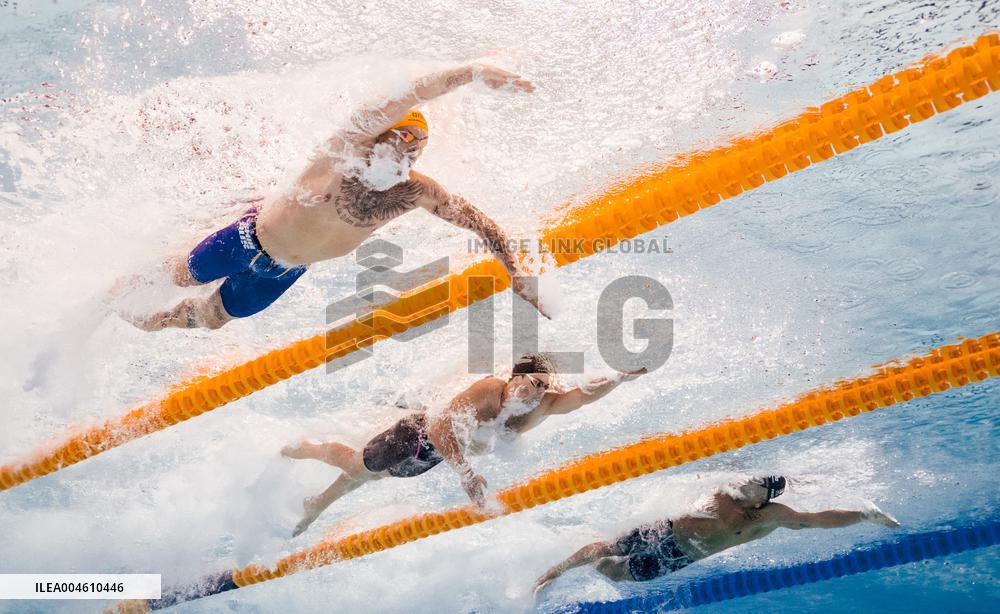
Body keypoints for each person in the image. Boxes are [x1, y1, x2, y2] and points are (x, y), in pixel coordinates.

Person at [128, 62, 547, 330]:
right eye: (404, 134)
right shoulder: (346, 149)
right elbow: (412, 93)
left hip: (287, 272)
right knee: (179, 275)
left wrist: (516, 272)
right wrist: (470, 73)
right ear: (378, 136)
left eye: (419, 143)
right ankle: (114, 292)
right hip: (247, 242)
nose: (410, 146)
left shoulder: (416, 191)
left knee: (210, 319)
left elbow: (482, 225)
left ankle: (149, 321)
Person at [281, 354, 647, 536]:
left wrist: (618, 377)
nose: (531, 390)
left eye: (540, 386)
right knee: (359, 467)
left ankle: (316, 503)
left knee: (371, 477)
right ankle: (307, 448)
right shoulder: (488, 392)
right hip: (420, 435)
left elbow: (582, 396)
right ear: (513, 376)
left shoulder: (542, 404)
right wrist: (468, 474)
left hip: (438, 455)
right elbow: (442, 428)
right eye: (528, 380)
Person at [533, 476, 900, 592]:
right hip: (666, 531)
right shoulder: (727, 491)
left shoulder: (770, 516)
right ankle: (556, 569)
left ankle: (586, 563)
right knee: (610, 547)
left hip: (681, 557)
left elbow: (815, 520)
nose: (749, 486)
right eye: (751, 481)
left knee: (617, 571)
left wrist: (863, 514)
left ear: (766, 498)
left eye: (758, 487)